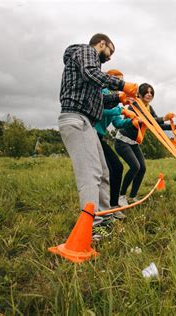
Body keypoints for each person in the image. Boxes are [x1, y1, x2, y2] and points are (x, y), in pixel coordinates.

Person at [58, 33, 138, 219]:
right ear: (102, 43)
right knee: (90, 174)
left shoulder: (88, 68)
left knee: (103, 172)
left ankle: (104, 216)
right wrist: (122, 85)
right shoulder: (85, 51)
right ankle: (91, 225)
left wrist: (118, 97)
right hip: (76, 119)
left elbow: (99, 99)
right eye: (110, 50)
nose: (110, 57)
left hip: (87, 123)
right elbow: (91, 73)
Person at [115, 83, 174, 205]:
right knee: (135, 167)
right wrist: (163, 118)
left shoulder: (149, 108)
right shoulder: (135, 105)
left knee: (142, 168)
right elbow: (147, 120)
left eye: (151, 93)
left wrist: (172, 127)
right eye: (146, 92)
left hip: (134, 143)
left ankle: (133, 196)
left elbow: (156, 124)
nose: (149, 94)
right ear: (140, 94)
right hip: (123, 141)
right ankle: (121, 195)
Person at [95, 69, 133, 219]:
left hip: (100, 136)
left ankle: (113, 205)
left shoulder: (118, 100)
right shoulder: (102, 92)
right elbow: (99, 110)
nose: (119, 84)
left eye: (121, 81)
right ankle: (103, 208)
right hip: (91, 133)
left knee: (117, 167)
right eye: (116, 80)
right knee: (106, 171)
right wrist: (119, 109)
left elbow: (117, 123)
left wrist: (132, 121)